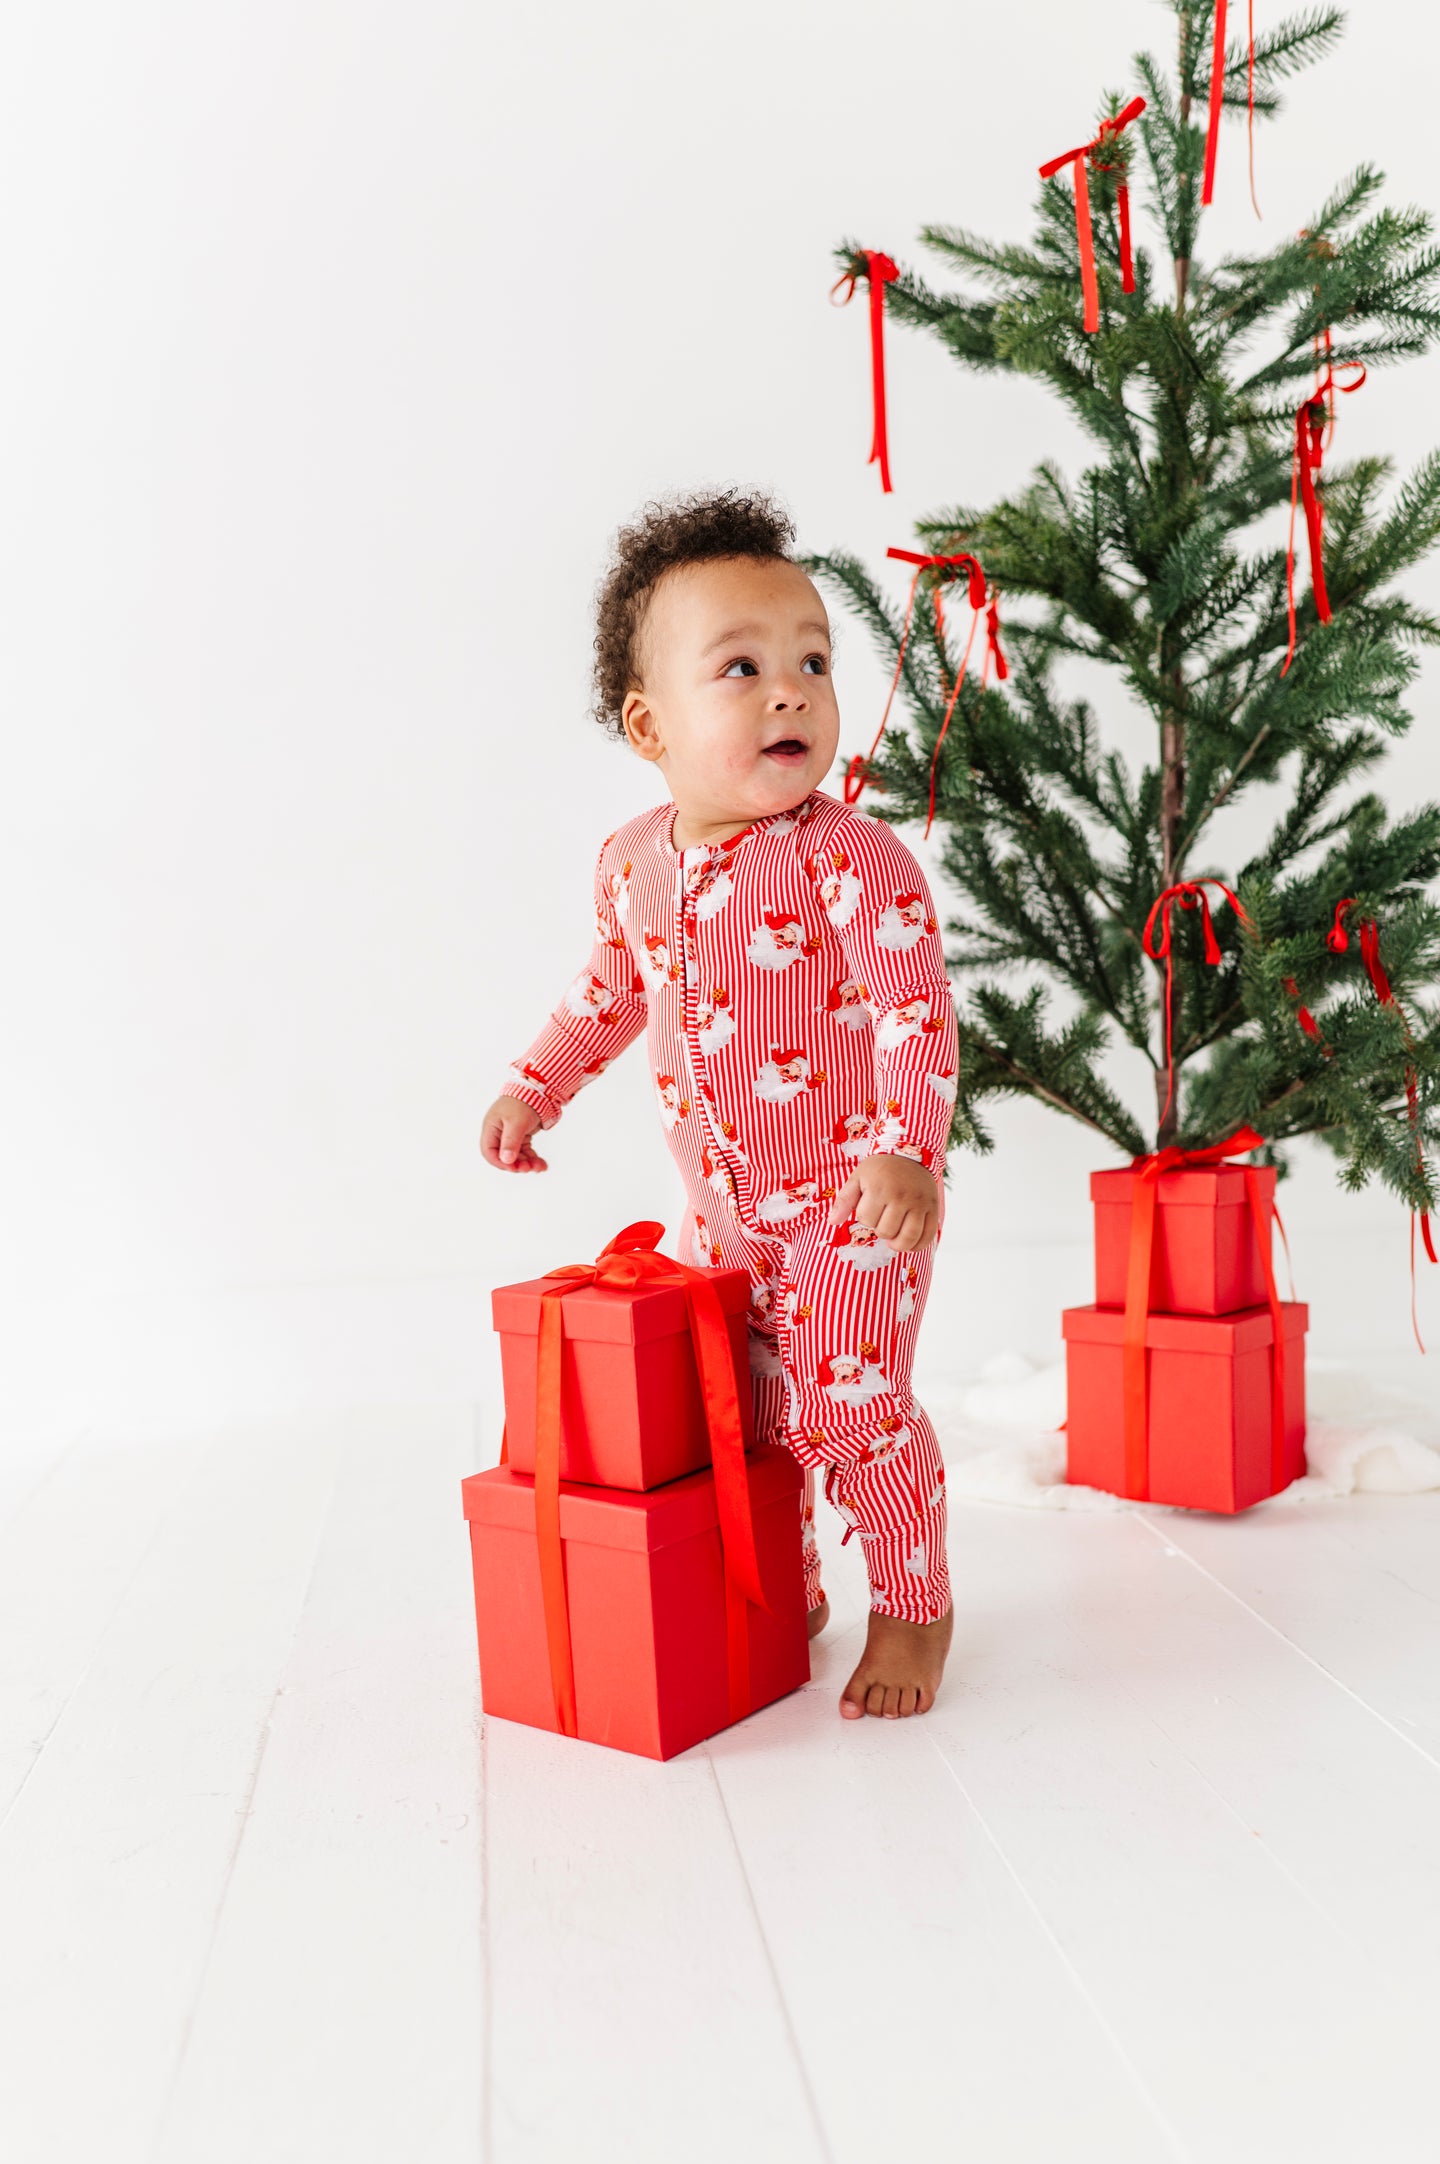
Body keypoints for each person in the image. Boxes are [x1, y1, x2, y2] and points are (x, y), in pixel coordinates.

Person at [481, 490, 959, 1720]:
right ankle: (781, 1580)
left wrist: (910, 1151)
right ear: (650, 724)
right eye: (740, 668)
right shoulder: (632, 860)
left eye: (812, 661)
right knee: (744, 1416)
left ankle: (913, 1602)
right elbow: (607, 989)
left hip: (857, 1205)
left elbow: (916, 1012)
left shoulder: (854, 862)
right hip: (722, 1221)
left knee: (851, 1410)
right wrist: (535, 1086)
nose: (790, 690)